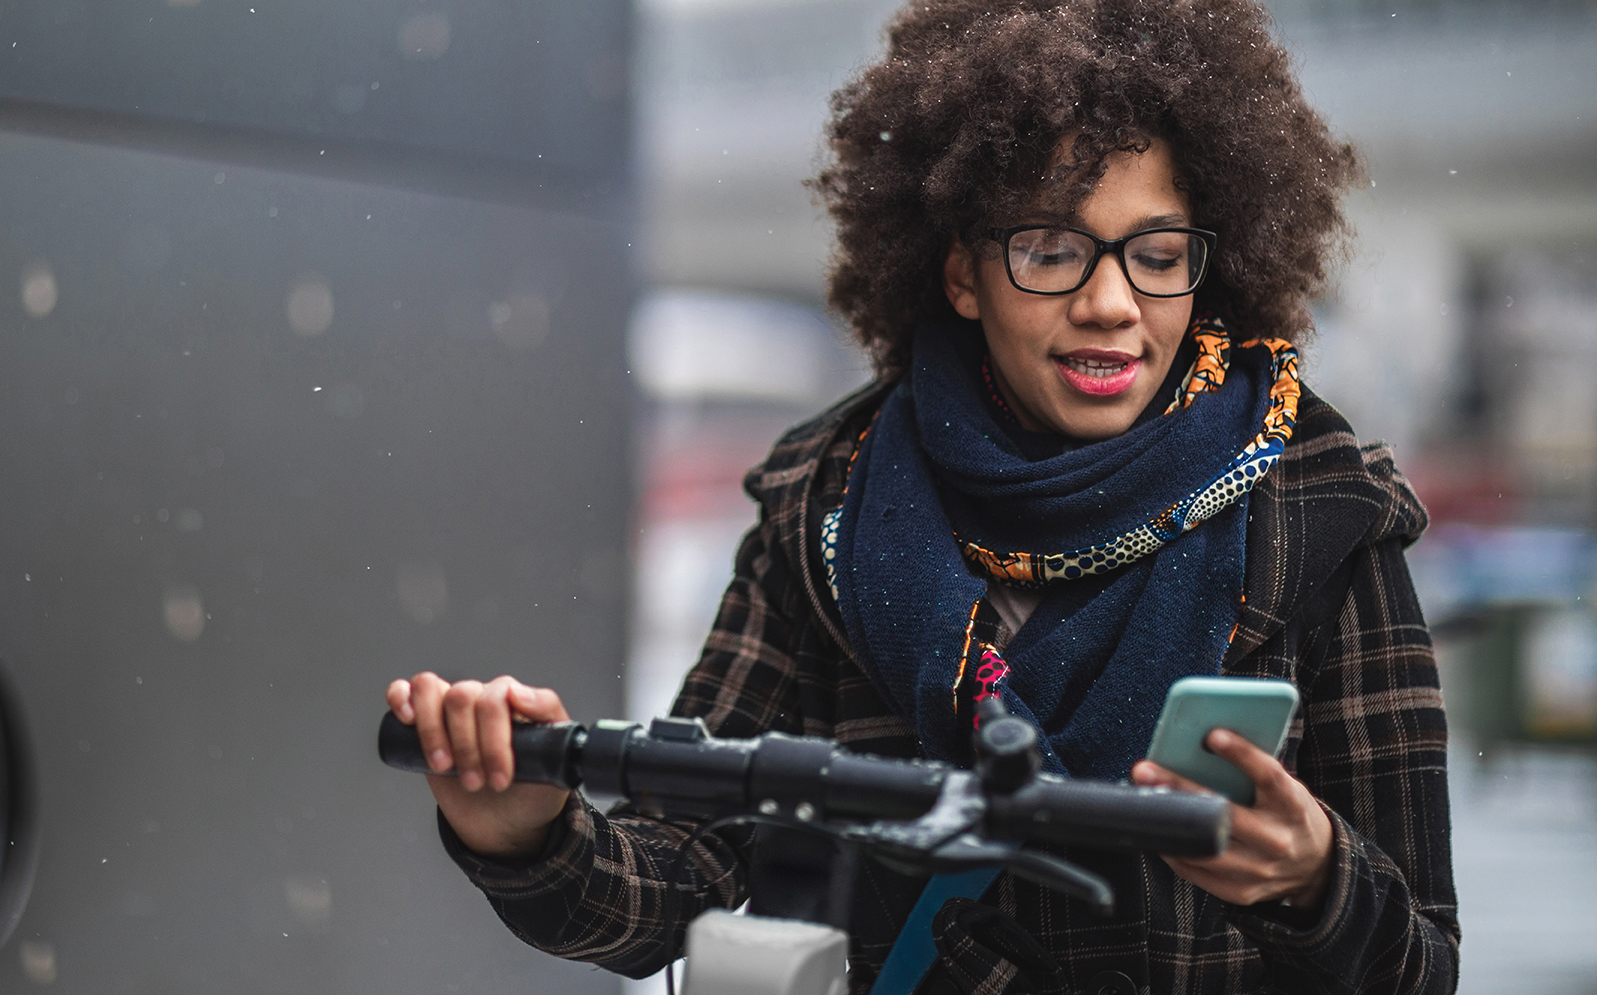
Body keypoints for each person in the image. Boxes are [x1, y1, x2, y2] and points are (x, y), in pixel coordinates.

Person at [386, 0, 1458, 991]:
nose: (1109, 302)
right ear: (960, 272)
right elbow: (680, 878)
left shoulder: (1321, 514)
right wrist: (527, 829)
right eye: (1049, 248)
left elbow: (1420, 962)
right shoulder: (828, 507)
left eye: (1158, 254)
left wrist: (1316, 877)